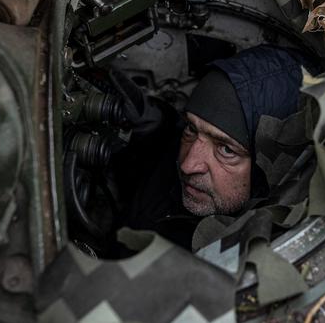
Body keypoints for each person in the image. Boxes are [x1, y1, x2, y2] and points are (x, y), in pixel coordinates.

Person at [115, 44, 303, 250]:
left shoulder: (255, 256)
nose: (188, 165)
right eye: (192, 129)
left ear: (268, 170)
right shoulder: (179, 159)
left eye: (226, 150)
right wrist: (151, 124)